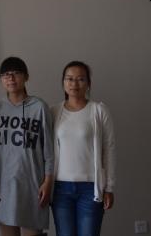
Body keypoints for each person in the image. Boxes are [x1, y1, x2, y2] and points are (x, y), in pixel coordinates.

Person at [0, 57, 54, 236]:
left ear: (26, 76)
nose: (11, 78)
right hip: (4, 186)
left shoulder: (39, 107)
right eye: (6, 74)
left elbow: (49, 150)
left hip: (33, 185)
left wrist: (48, 181)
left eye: (16, 73)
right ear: (1, 79)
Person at [50, 61, 116, 236]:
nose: (74, 84)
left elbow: (108, 150)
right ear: (63, 82)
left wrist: (109, 187)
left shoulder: (99, 111)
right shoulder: (53, 111)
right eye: (69, 79)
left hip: (90, 189)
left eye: (80, 79)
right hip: (60, 189)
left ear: (88, 83)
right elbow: (47, 151)